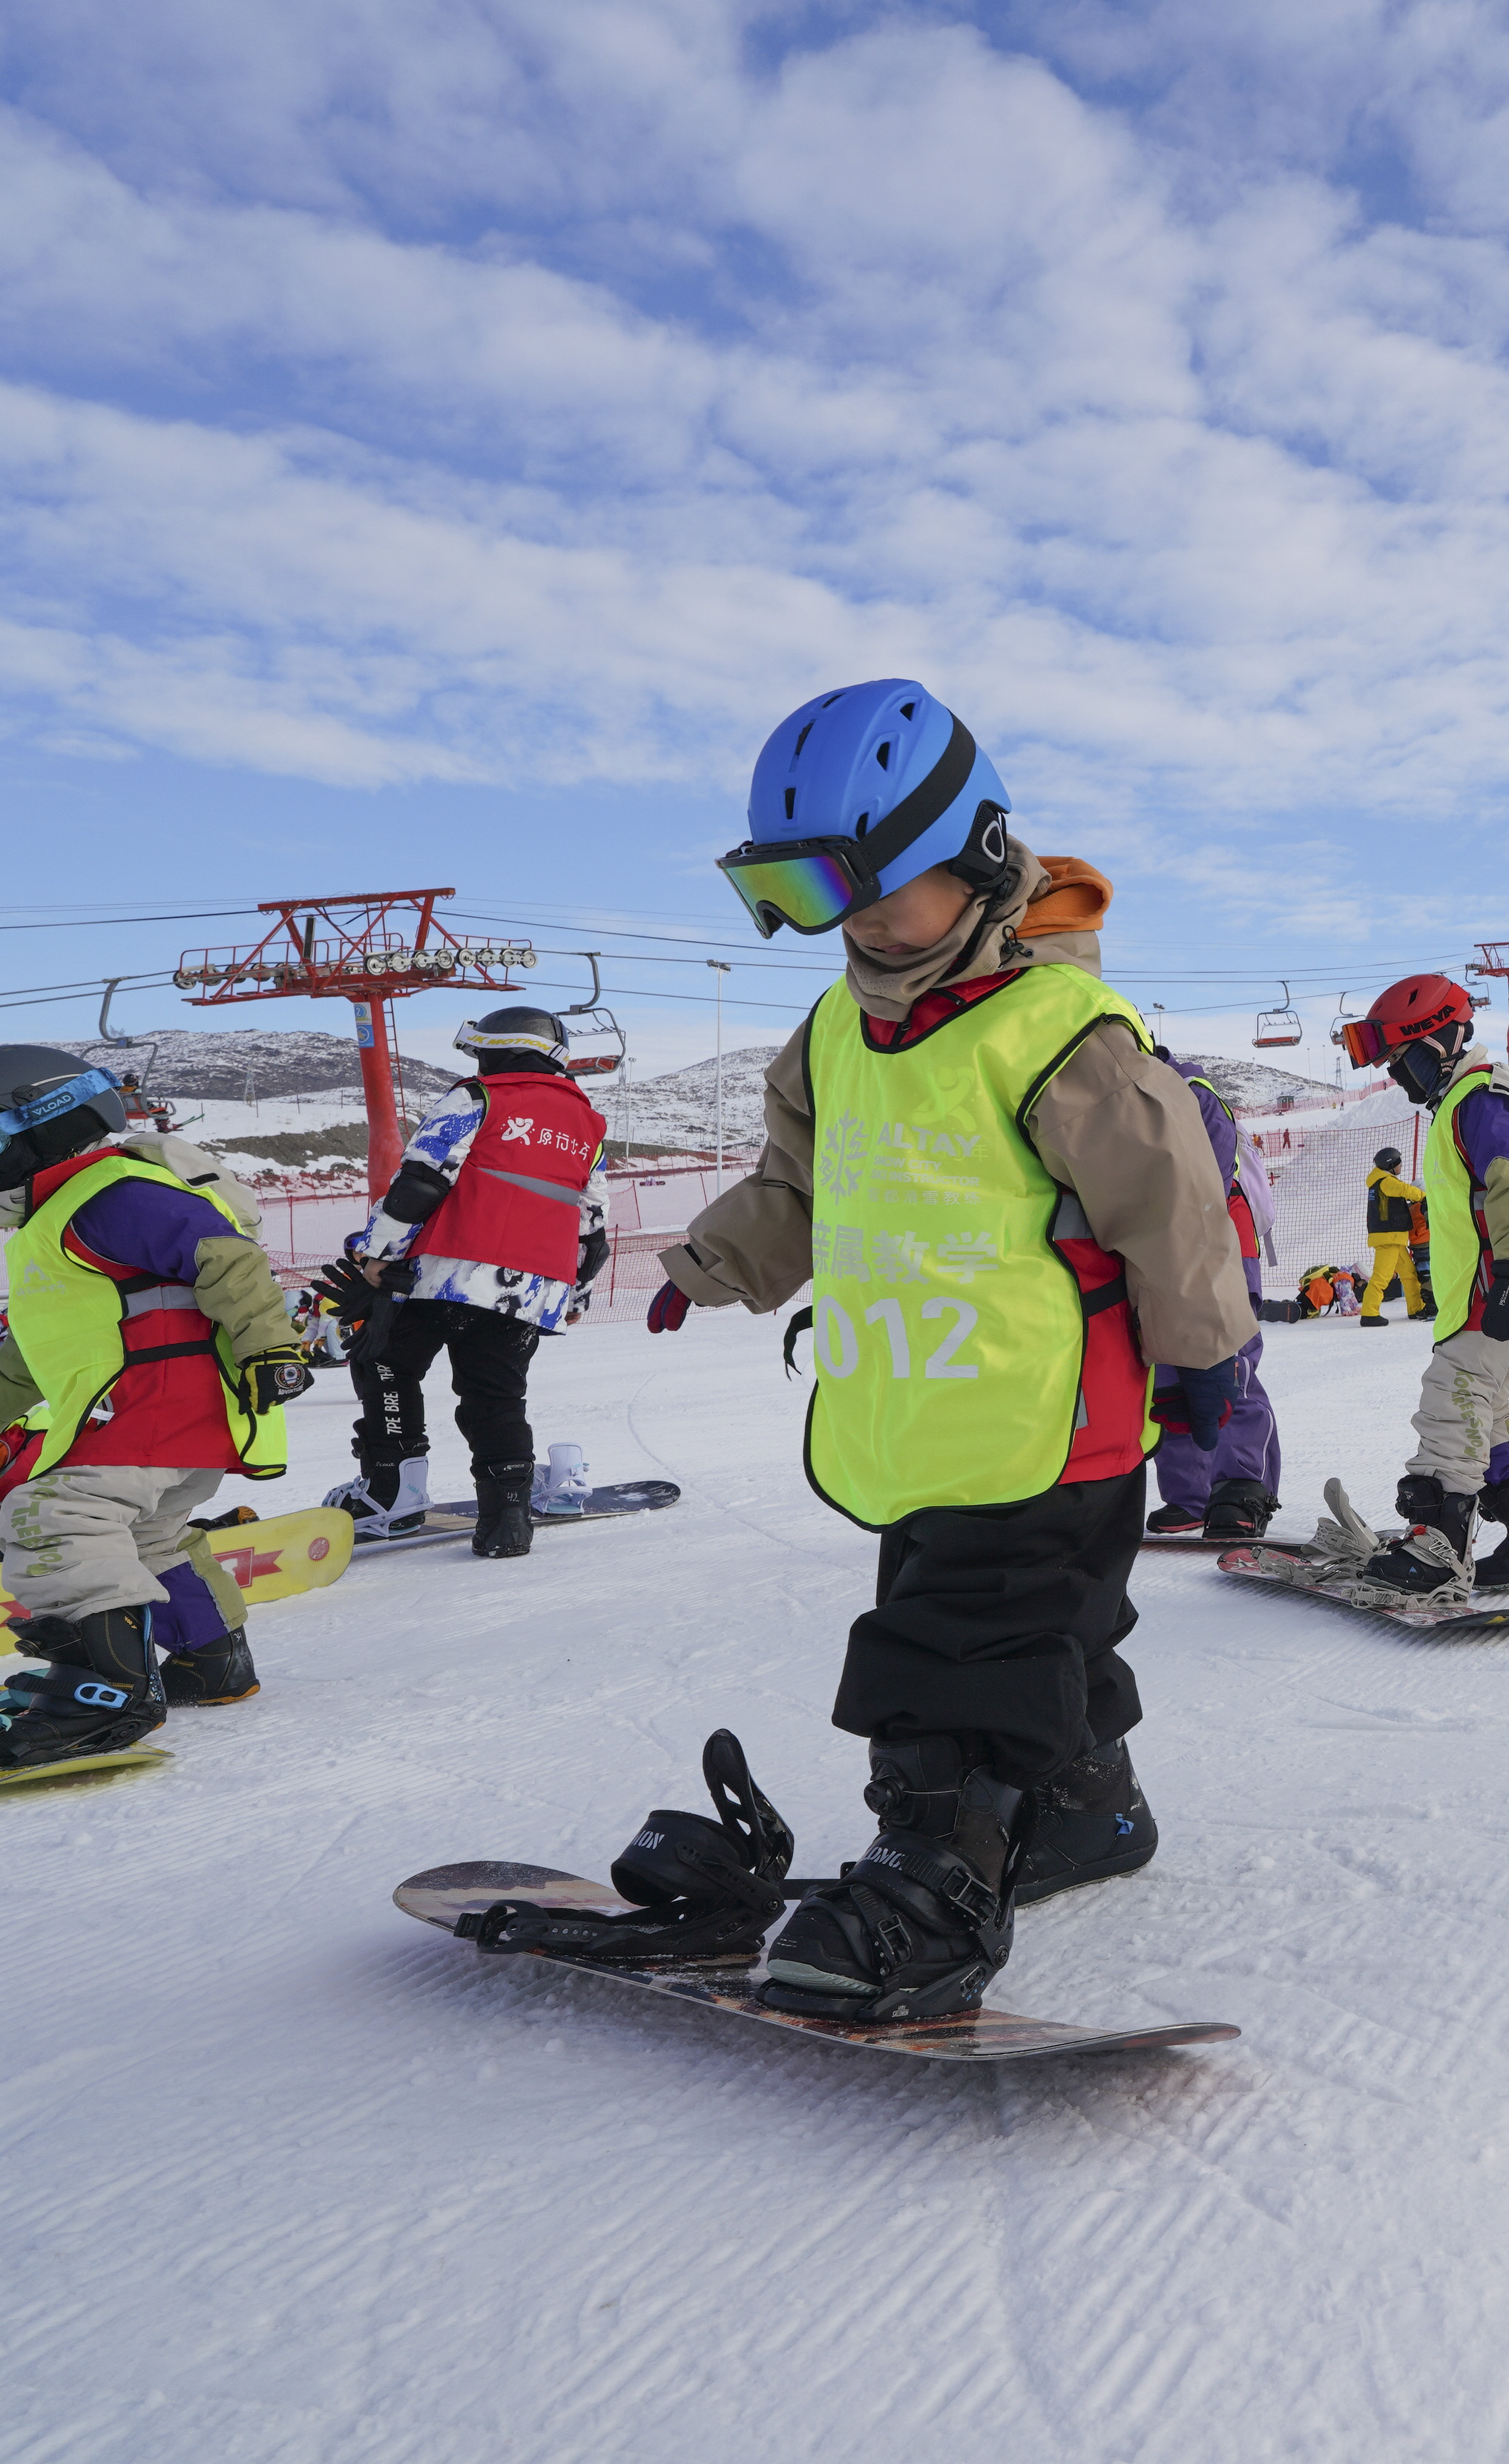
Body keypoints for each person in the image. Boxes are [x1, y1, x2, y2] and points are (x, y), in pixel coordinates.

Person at [646, 677, 1258, 2022]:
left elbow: (1170, 1207)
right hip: (918, 1409)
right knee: (1038, 1623)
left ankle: (937, 1884)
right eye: (814, 892)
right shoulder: (833, 1033)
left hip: (1054, 1411)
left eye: (877, 884)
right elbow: (800, 1187)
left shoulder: (1060, 1032)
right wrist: (710, 1264)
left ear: (976, 857)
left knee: (958, 1645)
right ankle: (1085, 1808)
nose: (856, 919)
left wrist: (1205, 1358)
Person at [0, 1045, 305, 1776]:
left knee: (50, 1517)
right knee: (149, 1535)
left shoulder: (107, 1191)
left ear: (45, 1121)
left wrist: (270, 1347)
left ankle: (107, 1693)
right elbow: (36, 1351)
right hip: (163, 1414)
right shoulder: (55, 1220)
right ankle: (213, 1658)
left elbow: (225, 1255)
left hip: (155, 1405)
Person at [316, 1006, 613, 1556]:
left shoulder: (477, 1098)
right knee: (496, 1396)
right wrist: (577, 1291)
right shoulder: (588, 1123)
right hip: (530, 1288)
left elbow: (421, 1182)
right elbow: (592, 1223)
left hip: (445, 1273)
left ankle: (393, 1494)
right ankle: (507, 1520)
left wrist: (376, 1253)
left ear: (496, 1053)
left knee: (384, 1363)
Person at [1331, 975, 1509, 1595]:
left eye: (1403, 1059)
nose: (1398, 1075)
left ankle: (1438, 1553)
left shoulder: (1481, 1100)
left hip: (1498, 1287)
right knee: (1487, 1413)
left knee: (1453, 1398)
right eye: (1390, 1065)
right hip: (1486, 1289)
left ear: (1442, 1040)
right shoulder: (1462, 1103)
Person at [1143, 1050, 1284, 1541]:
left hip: (1221, 1245)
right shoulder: (1121, 1092)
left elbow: (1205, 1187)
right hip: (1158, 1252)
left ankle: (1242, 1489)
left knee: (1228, 1362)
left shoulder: (1191, 1092)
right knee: (1168, 1369)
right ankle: (1189, 1495)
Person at [1359, 1149, 1430, 1325]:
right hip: (1388, 1239)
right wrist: (1425, 1197)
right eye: (1398, 1163)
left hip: (1394, 1239)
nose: (1401, 1166)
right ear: (1390, 1165)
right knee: (1382, 1277)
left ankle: (1416, 1308)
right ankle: (1369, 1314)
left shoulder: (1381, 1181)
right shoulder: (1386, 1182)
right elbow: (1406, 1190)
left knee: (1409, 1274)